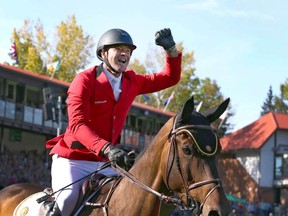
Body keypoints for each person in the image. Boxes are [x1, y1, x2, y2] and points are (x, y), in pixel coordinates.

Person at [45, 27, 182, 215]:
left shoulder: (132, 81)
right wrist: (107, 148)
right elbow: (77, 125)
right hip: (74, 160)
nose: (124, 53)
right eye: (119, 49)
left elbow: (170, 78)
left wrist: (171, 50)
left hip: (107, 163)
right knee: (67, 200)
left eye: (128, 50)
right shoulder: (84, 80)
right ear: (103, 53)